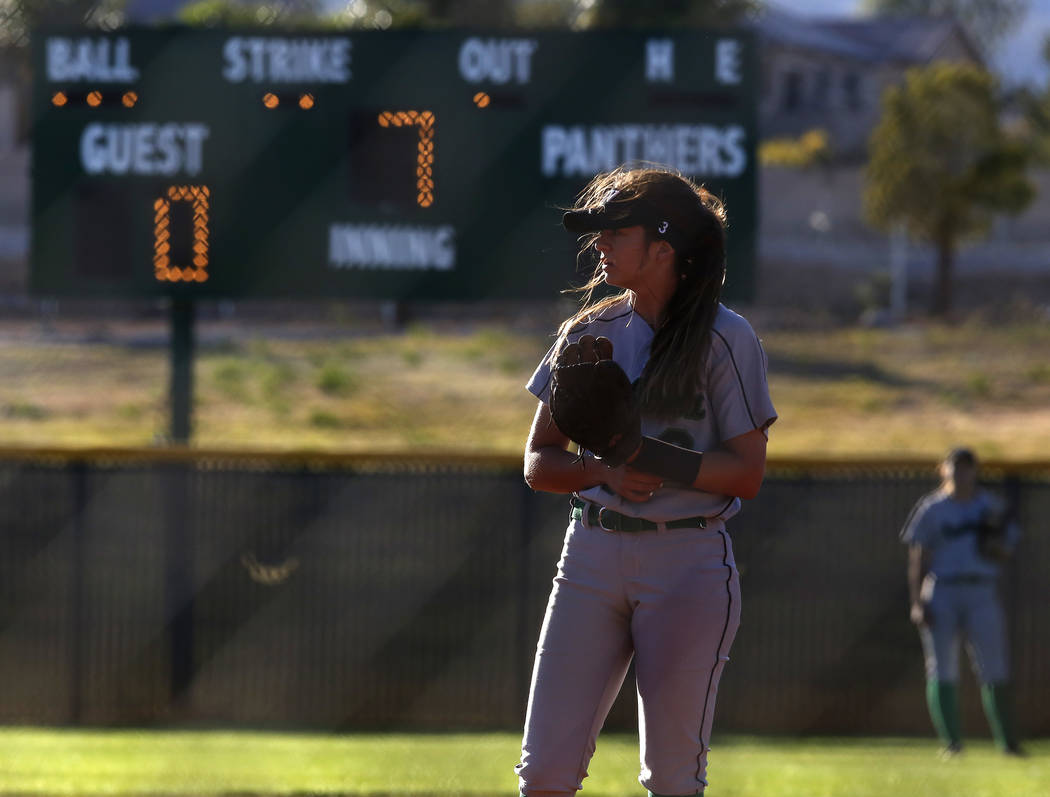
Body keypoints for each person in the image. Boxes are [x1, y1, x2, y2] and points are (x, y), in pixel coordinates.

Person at [515, 165, 777, 797]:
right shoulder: (587, 333)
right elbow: (538, 463)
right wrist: (601, 470)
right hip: (591, 554)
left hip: (687, 557)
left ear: (663, 248)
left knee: (672, 779)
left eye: (615, 231)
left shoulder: (725, 338)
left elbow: (746, 472)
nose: (598, 244)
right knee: (545, 773)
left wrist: (644, 454)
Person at [900, 447, 1024, 758]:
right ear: (944, 469)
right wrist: (917, 602)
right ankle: (952, 743)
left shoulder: (990, 506)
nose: (962, 472)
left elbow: (1007, 551)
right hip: (942, 589)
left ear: (976, 471)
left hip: (981, 589)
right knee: (942, 667)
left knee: (994, 666)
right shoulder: (932, 508)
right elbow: (918, 558)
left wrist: (993, 540)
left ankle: (1007, 743)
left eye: (968, 467)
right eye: (956, 466)